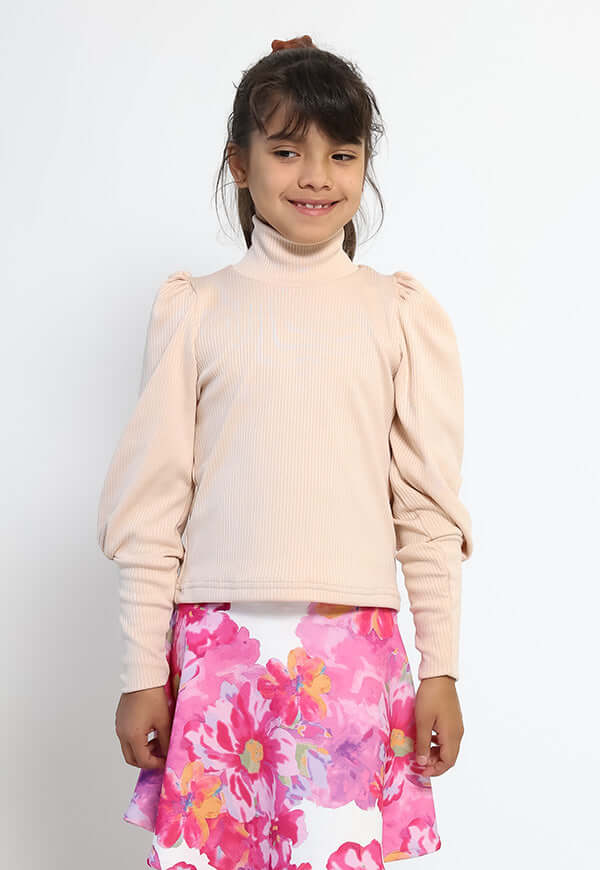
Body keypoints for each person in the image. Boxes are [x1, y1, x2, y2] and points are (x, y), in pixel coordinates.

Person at [96, 34, 474, 869]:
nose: (316, 176)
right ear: (239, 163)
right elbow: (153, 505)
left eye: (342, 154)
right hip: (217, 651)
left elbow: (426, 507)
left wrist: (440, 668)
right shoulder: (197, 311)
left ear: (364, 165)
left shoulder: (396, 314)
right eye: (286, 150)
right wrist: (140, 672)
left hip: (353, 655)